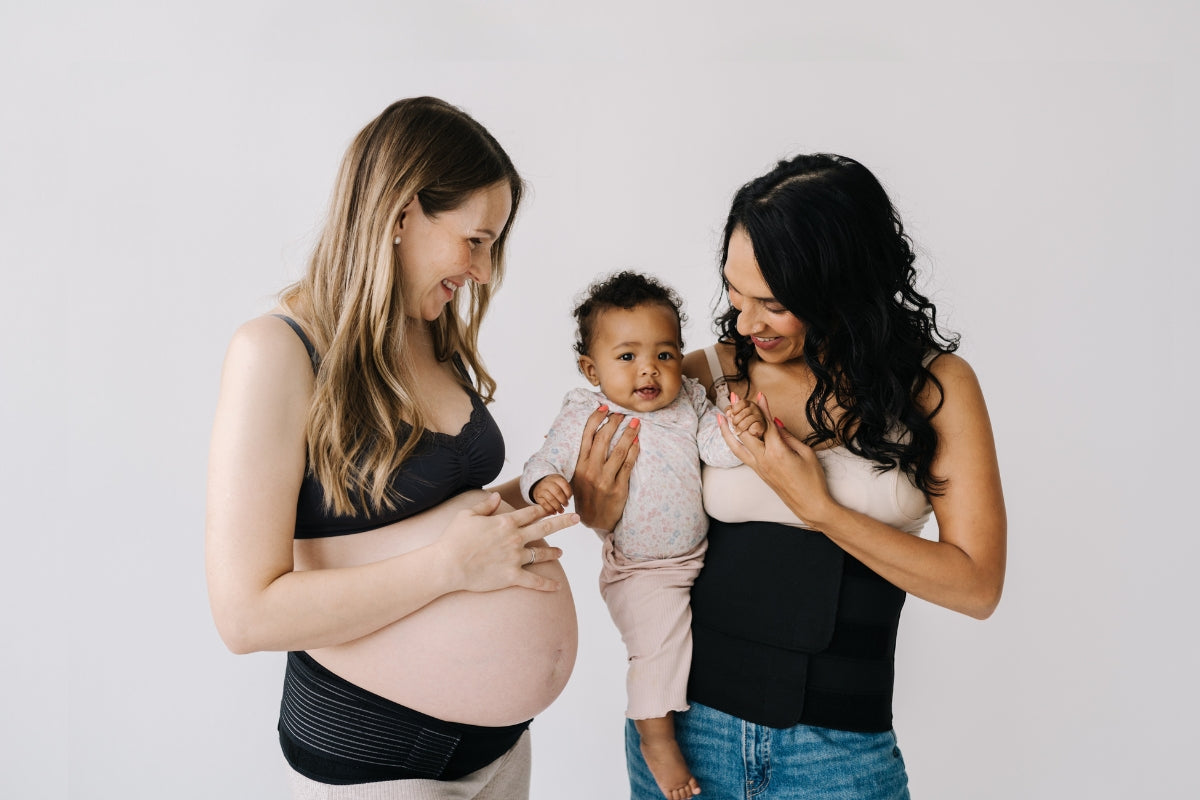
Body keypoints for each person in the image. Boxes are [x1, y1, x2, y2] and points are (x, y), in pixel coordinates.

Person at [204, 97, 618, 800]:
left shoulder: (425, 326)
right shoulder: (275, 352)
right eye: (476, 241)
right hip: (383, 765)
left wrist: (554, 494)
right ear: (401, 215)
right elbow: (245, 615)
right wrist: (447, 568)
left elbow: (430, 513)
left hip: (498, 753)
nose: (484, 273)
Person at [572, 153, 1007, 799]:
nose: (746, 324)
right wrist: (595, 508)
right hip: (691, 735)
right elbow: (618, 502)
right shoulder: (705, 376)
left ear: (841, 287)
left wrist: (819, 507)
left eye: (772, 304)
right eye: (736, 293)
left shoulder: (936, 388)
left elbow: (977, 587)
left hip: (842, 755)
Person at [519, 271, 764, 800]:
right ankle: (656, 739)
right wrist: (546, 484)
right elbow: (544, 459)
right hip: (644, 569)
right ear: (592, 369)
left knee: (693, 647)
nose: (649, 370)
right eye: (627, 357)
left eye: (666, 354)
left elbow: (714, 451)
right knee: (658, 650)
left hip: (701, 555)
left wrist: (740, 430)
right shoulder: (587, 412)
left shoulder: (689, 403)